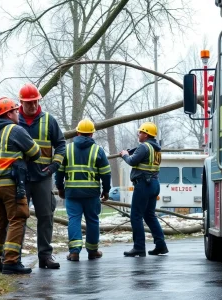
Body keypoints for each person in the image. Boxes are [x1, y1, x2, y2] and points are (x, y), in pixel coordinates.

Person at [0, 97, 41, 275]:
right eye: (15, 111)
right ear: (7, 114)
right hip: (11, 184)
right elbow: (35, 152)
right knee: (17, 219)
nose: (18, 114)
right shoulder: (16, 130)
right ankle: (12, 261)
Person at [18, 83, 66, 269]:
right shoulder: (14, 120)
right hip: (20, 178)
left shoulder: (49, 121)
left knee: (46, 216)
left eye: (35, 102)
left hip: (43, 176)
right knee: (18, 218)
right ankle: (14, 258)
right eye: (28, 102)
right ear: (21, 102)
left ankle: (45, 256)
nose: (32, 105)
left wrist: (55, 165)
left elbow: (60, 144)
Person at [55, 119, 111, 261]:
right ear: (92, 134)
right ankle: (93, 251)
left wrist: (60, 188)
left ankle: (74, 252)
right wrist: (106, 190)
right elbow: (106, 173)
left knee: (74, 219)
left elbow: (59, 171)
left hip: (72, 193)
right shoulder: (98, 150)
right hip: (91, 193)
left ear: (78, 132)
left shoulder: (67, 149)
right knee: (92, 220)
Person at [120, 122, 168, 257]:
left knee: (136, 216)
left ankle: (139, 247)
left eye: (140, 132)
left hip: (143, 184)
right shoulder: (155, 148)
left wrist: (124, 154)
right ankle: (161, 245)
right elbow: (142, 157)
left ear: (146, 134)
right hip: (154, 184)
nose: (138, 134)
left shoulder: (144, 146)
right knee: (149, 215)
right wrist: (131, 151)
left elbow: (131, 161)